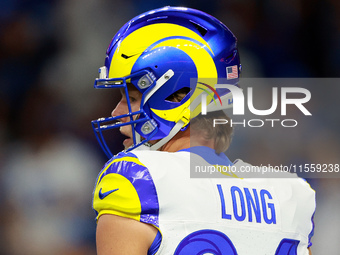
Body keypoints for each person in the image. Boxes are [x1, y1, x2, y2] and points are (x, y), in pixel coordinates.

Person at [91, 6, 315, 255]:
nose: (116, 112)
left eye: (131, 97)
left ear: (179, 99)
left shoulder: (138, 178)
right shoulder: (292, 194)